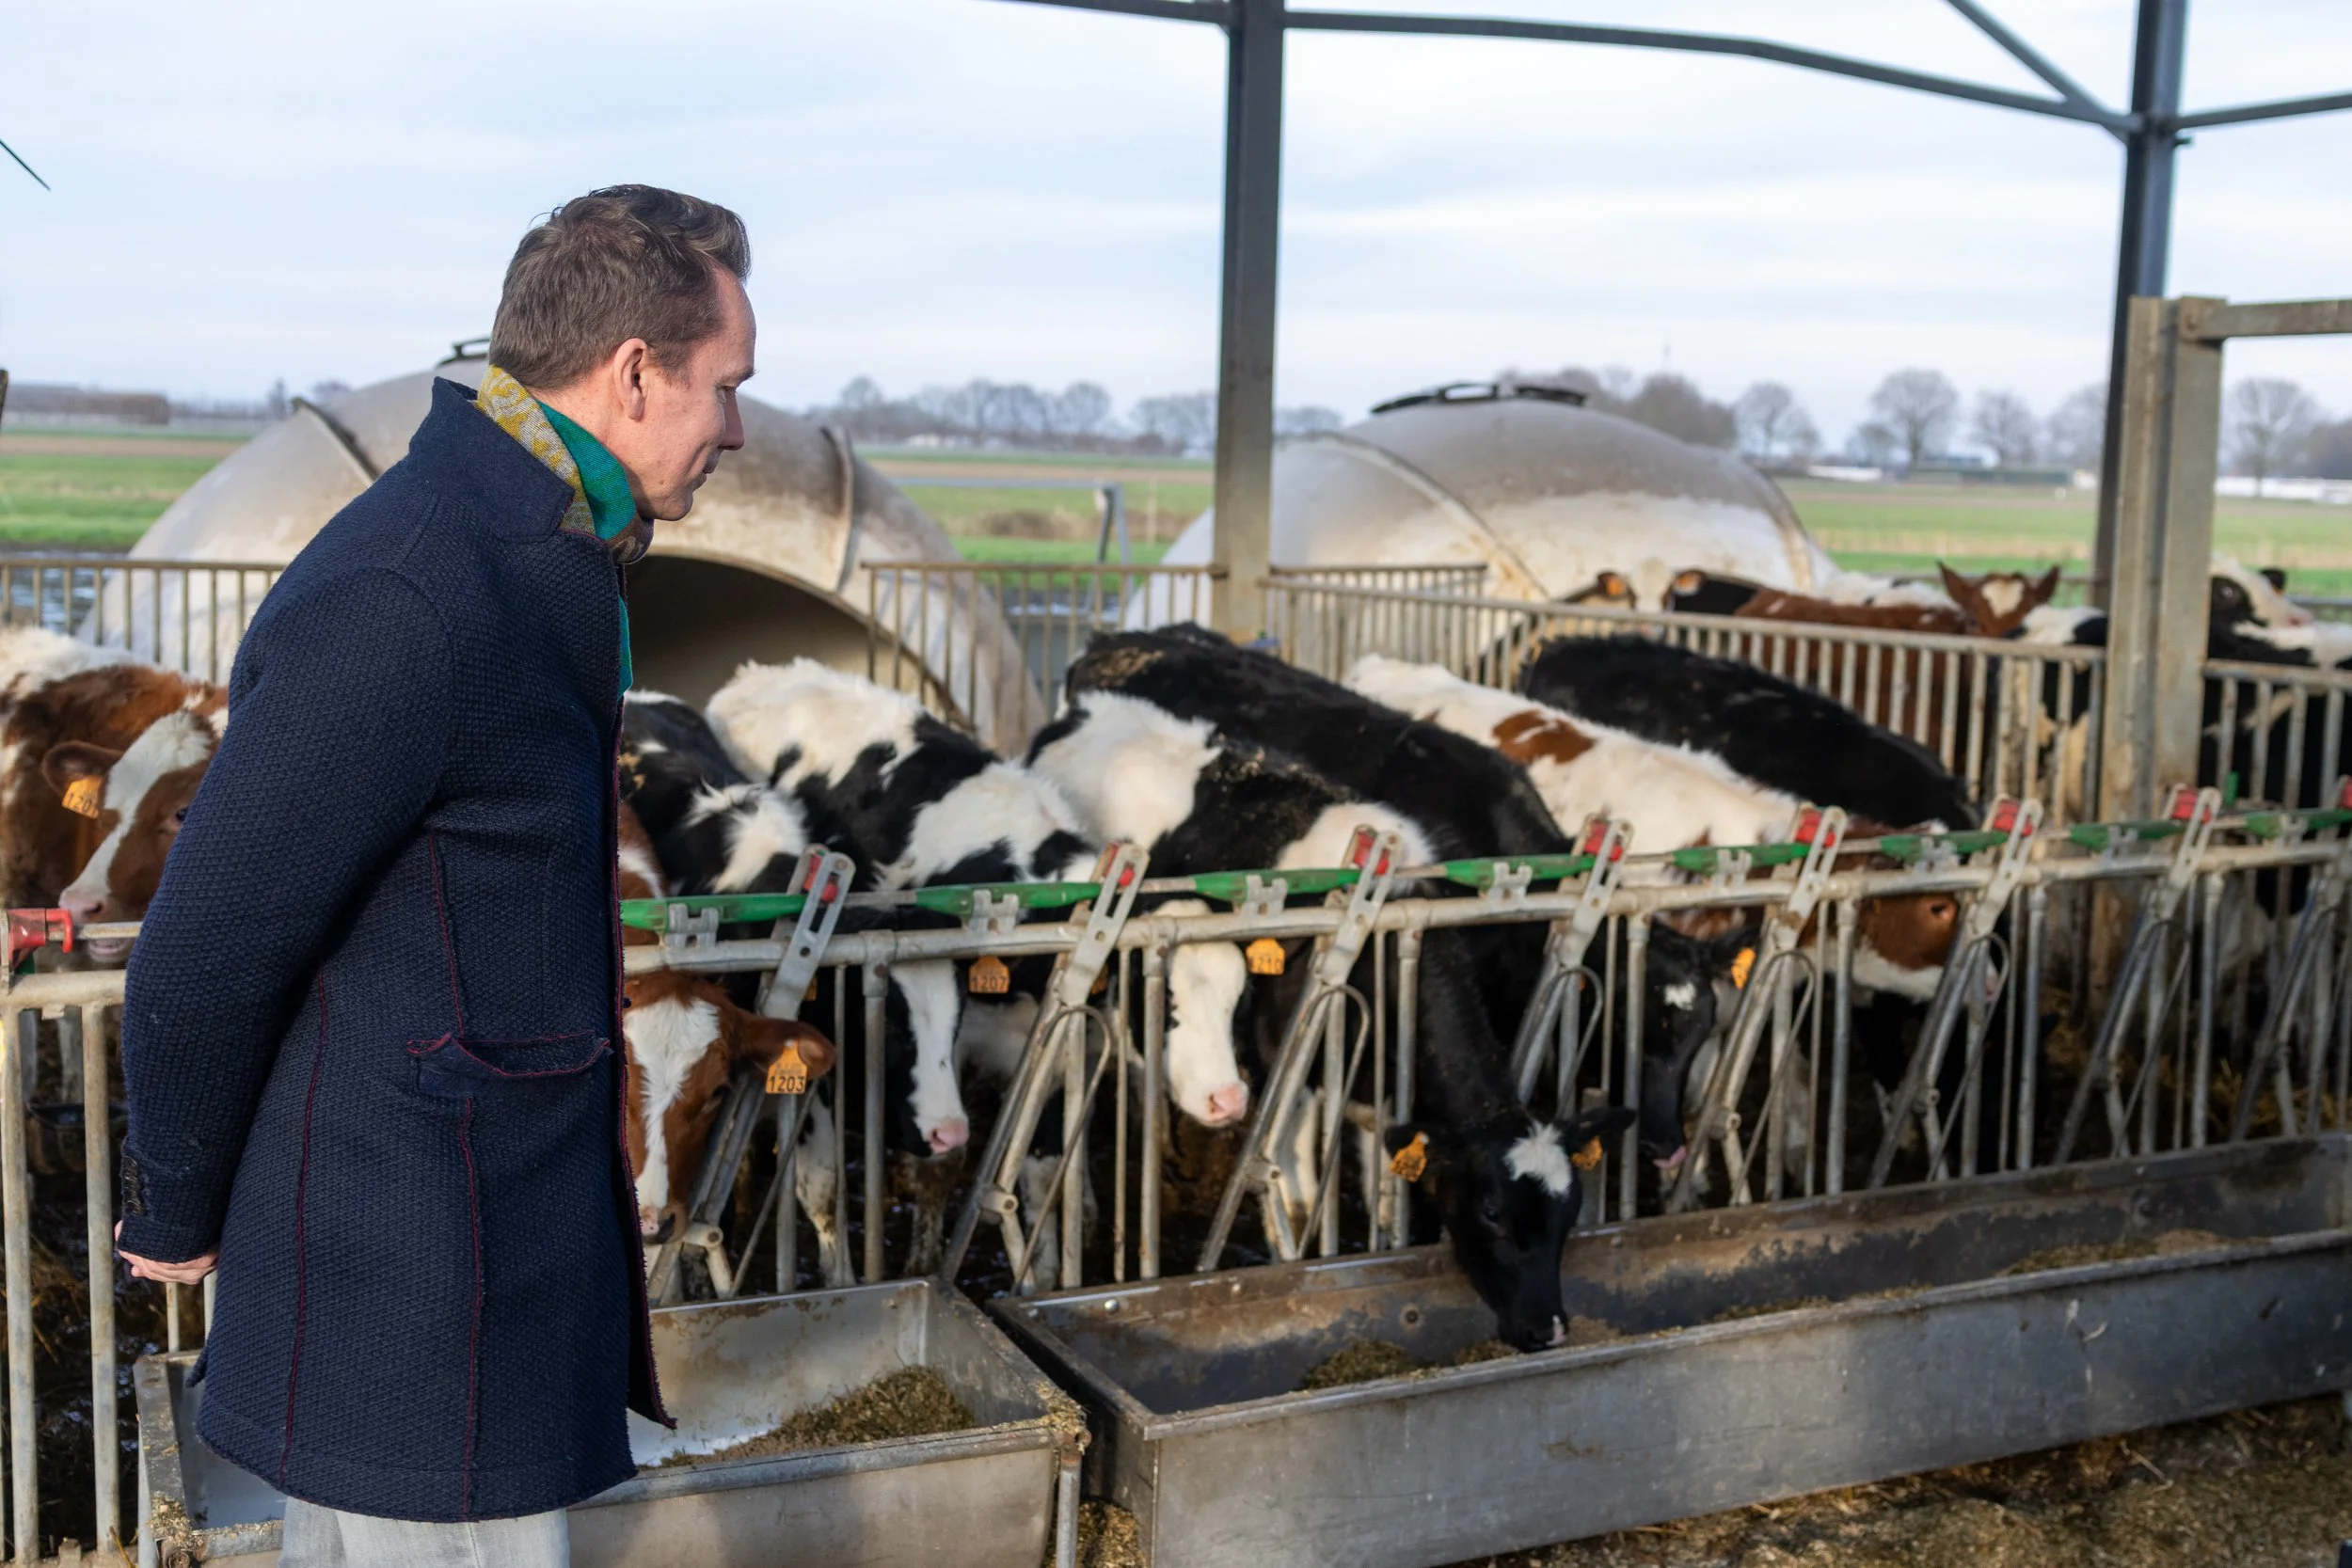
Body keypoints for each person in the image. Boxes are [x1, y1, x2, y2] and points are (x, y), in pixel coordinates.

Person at [114, 185, 831, 1567]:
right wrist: (178, 1199)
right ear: (633, 372)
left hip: (473, 1232)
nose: (738, 426)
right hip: (416, 1272)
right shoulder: (421, 588)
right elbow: (210, 937)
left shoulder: (527, 549)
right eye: (727, 386)